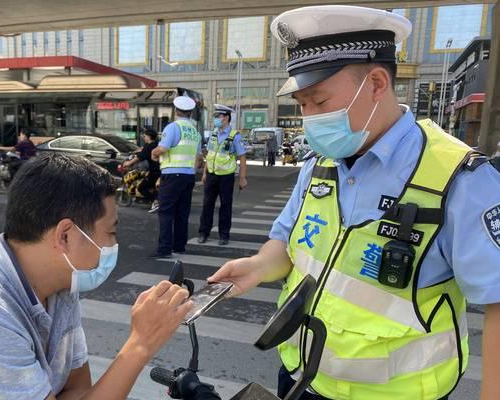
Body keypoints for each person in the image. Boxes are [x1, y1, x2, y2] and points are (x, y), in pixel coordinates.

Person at [209, 5, 500, 400]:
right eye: (302, 105)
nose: (309, 118)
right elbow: (288, 243)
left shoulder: (461, 179)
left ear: (377, 83)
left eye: (319, 102)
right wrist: (260, 266)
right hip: (301, 378)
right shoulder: (319, 164)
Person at [0, 153, 192, 400]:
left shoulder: (60, 288)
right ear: (65, 235)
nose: (113, 246)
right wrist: (141, 343)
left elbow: (78, 389)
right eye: (110, 233)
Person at [150, 96, 202, 258]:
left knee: (165, 212)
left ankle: (164, 249)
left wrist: (153, 152)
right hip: (188, 176)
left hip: (172, 175)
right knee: (182, 212)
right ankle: (179, 246)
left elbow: (163, 148)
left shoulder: (172, 127)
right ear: (190, 112)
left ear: (175, 110)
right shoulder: (195, 131)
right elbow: (199, 157)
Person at [197, 104, 248, 246]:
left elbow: (242, 157)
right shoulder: (213, 133)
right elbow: (210, 154)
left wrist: (242, 178)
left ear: (226, 118)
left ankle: (224, 235)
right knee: (207, 204)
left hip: (226, 176)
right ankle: (203, 233)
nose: (216, 119)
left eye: (218, 116)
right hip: (211, 175)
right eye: (215, 116)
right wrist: (205, 172)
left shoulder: (234, 136)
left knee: (225, 206)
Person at [122, 128, 161, 212]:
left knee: (141, 187)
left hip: (155, 171)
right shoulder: (155, 144)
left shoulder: (149, 147)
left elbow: (140, 157)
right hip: (159, 170)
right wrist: (134, 152)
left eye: (145, 136)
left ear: (149, 137)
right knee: (148, 183)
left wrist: (128, 163)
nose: (144, 137)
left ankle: (157, 201)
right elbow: (141, 150)